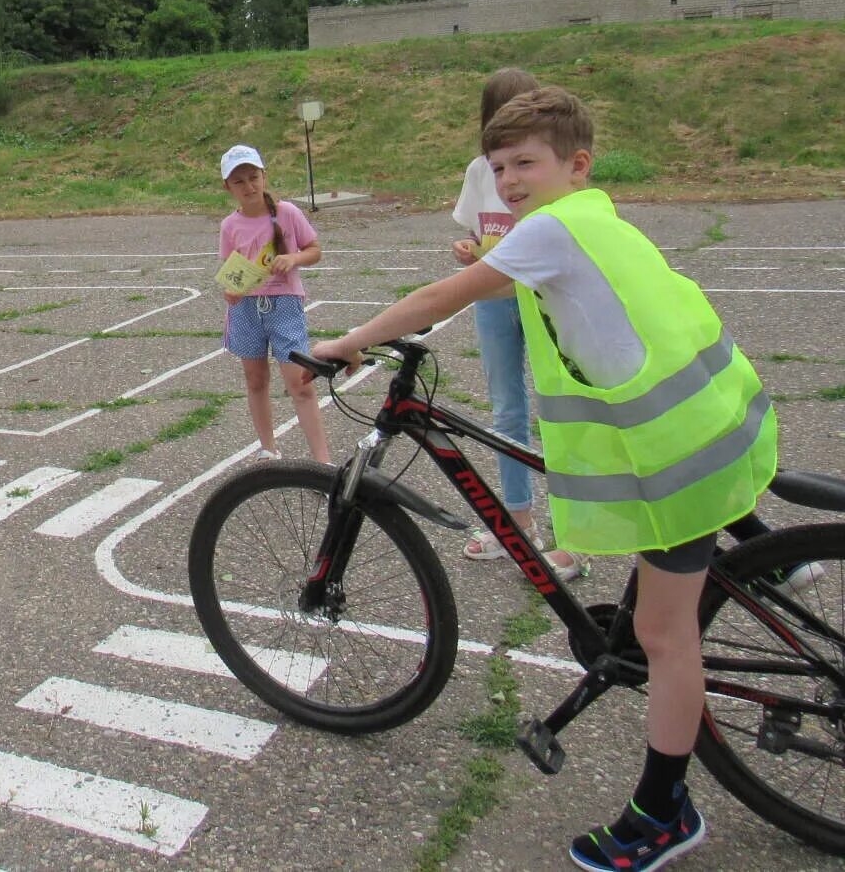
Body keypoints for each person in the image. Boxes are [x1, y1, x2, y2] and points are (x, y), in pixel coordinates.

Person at [313, 87, 775, 871]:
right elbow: (495, 282)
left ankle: (665, 813)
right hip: (714, 430)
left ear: (576, 163)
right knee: (659, 620)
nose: (510, 180)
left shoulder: (554, 227)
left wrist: (348, 343)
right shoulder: (588, 216)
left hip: (677, 459)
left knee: (667, 637)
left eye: (526, 162)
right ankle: (765, 554)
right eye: (498, 168)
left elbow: (441, 295)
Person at [448, 67, 589, 580]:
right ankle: (518, 521)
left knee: (563, 412)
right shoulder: (479, 171)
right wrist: (470, 251)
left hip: (544, 299)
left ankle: (574, 538)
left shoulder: (552, 177)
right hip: (494, 298)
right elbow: (475, 232)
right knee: (508, 409)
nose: (509, 176)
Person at [217, 144, 331, 463]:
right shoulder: (229, 225)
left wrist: (293, 257)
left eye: (254, 177)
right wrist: (232, 292)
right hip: (246, 310)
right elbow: (230, 273)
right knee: (255, 379)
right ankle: (268, 448)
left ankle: (322, 461)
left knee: (300, 383)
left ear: (264, 177)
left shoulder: (288, 213)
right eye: (239, 182)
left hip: (284, 304)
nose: (249, 186)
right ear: (228, 187)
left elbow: (315, 249)